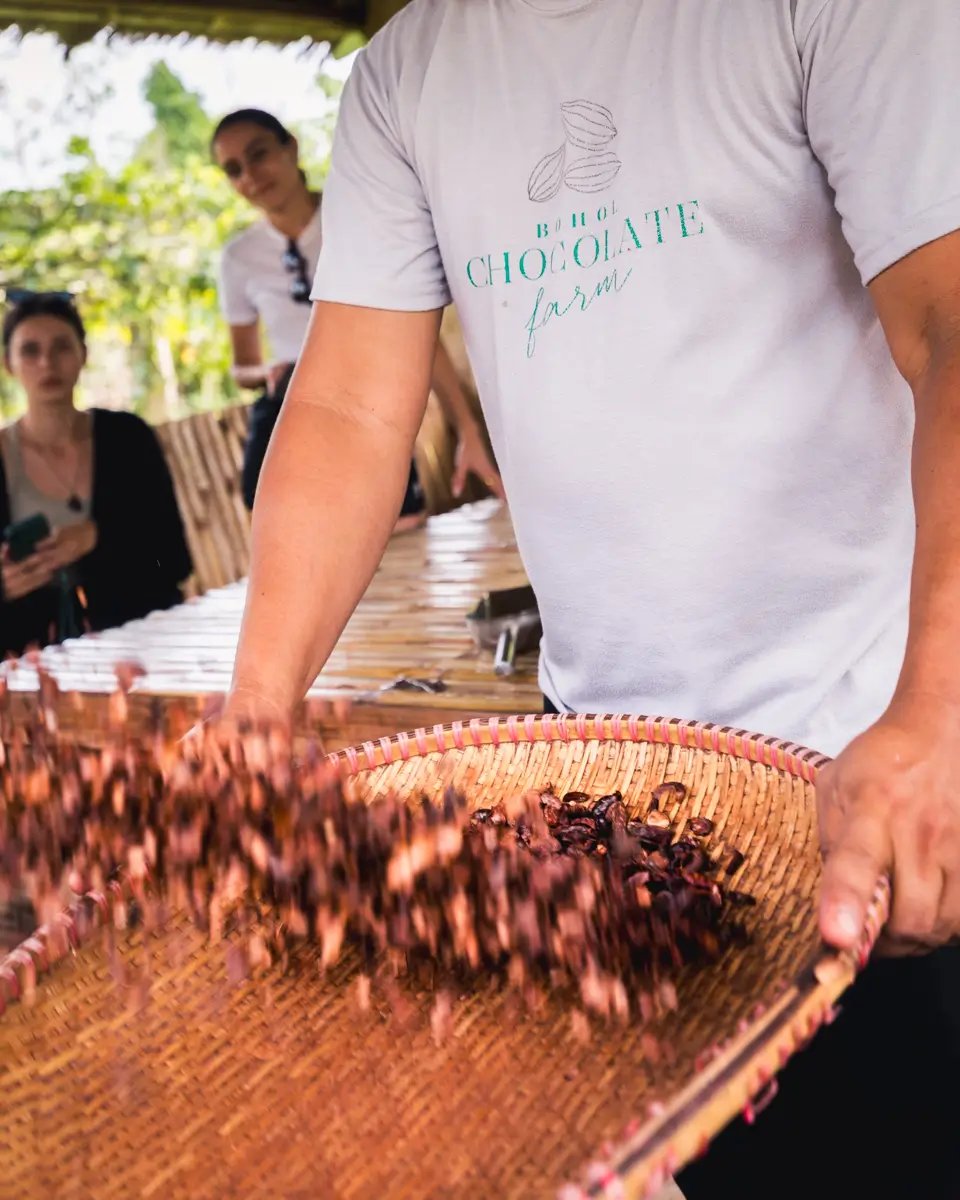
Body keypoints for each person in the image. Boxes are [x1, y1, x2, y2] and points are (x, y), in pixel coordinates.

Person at [222, 4, 960, 1198]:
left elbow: (951, 324)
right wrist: (257, 704)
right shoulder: (408, 72)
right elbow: (352, 408)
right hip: (604, 812)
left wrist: (940, 709)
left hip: (873, 765)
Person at [211, 108, 502, 518]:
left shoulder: (357, 219)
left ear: (290, 147)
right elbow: (243, 369)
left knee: (394, 523)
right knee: (281, 516)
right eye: (234, 170)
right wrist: (270, 371)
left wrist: (467, 430)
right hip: (293, 413)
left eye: (259, 154)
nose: (251, 177)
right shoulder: (238, 258)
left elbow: (418, 332)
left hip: (367, 406)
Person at [0, 292, 192, 658]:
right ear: (8, 364)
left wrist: (97, 537)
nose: (47, 362)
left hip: (139, 650)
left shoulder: (128, 438)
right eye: (29, 350)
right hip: (30, 666)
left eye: (61, 347)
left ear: (83, 355)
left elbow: (176, 560)